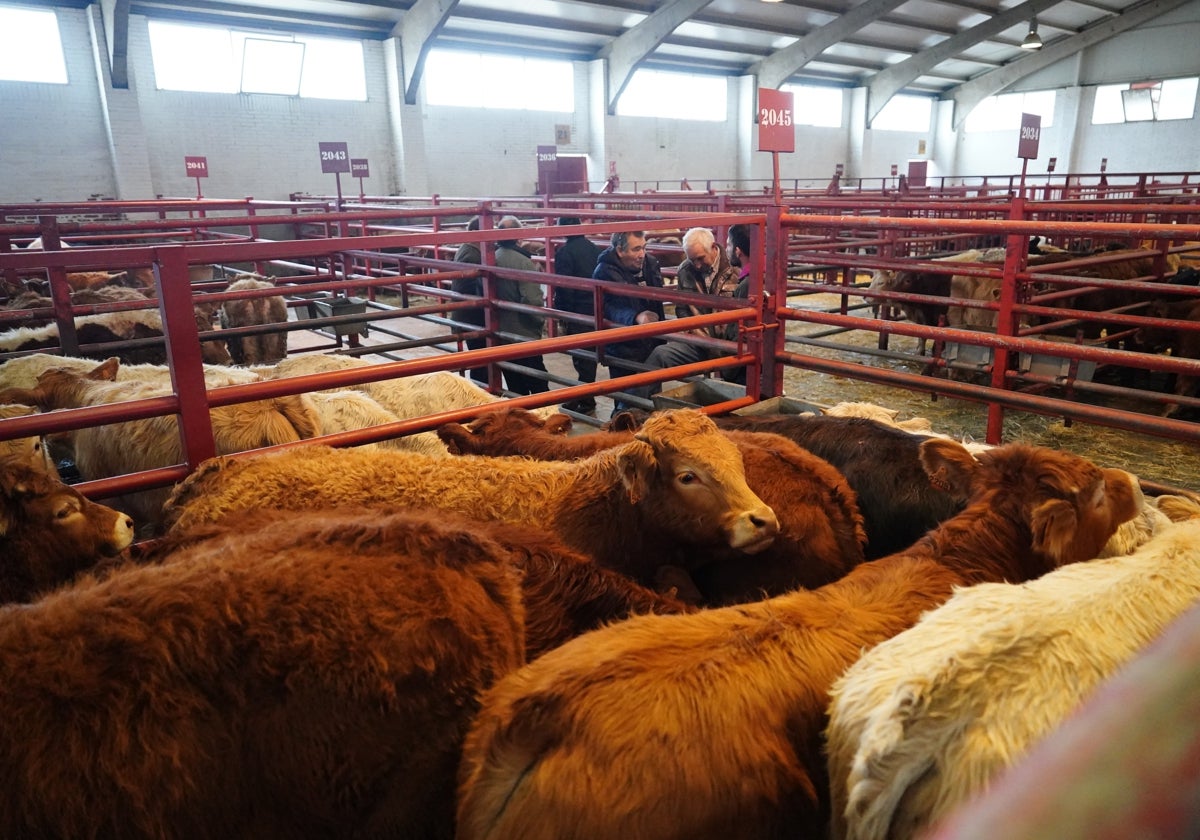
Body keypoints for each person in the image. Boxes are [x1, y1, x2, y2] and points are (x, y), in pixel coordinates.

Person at [638, 226, 743, 394]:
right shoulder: (685, 270)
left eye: (700, 258)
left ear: (714, 247)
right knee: (660, 355)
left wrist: (727, 344)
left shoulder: (736, 269)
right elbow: (682, 310)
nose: (697, 264)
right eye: (692, 259)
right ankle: (640, 409)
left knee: (740, 382)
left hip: (730, 344)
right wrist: (697, 335)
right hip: (699, 343)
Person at [592, 230, 664, 414]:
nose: (642, 254)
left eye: (644, 248)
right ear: (620, 250)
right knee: (626, 399)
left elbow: (658, 299)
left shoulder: (651, 263)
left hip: (651, 342)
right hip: (624, 347)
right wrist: (635, 316)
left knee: (653, 397)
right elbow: (608, 306)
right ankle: (621, 430)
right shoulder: (604, 272)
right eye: (636, 249)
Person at [491, 215, 550, 395]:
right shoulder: (523, 262)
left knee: (515, 382)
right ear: (518, 237)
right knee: (537, 380)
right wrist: (539, 320)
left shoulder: (492, 257)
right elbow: (532, 299)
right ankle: (544, 416)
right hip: (523, 331)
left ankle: (521, 415)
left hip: (500, 329)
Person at [551, 216, 603, 414]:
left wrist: (564, 314)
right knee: (587, 355)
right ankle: (582, 396)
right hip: (595, 308)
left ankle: (586, 400)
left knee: (582, 357)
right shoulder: (592, 248)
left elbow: (565, 287)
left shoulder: (565, 253)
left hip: (578, 311)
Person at [451, 216, 488, 384]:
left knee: (480, 360)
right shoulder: (472, 255)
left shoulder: (467, 250)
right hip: (473, 316)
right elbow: (470, 288)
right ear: (475, 233)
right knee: (481, 362)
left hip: (467, 315)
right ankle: (481, 393)